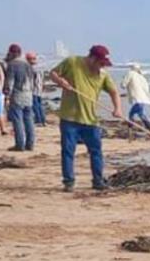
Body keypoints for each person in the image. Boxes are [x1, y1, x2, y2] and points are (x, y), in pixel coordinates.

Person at [49, 45, 121, 192]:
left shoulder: (103, 75)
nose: (102, 66)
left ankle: (98, 181)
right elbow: (53, 73)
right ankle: (68, 182)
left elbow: (114, 92)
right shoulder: (72, 62)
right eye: (101, 63)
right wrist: (60, 82)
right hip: (69, 118)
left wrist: (117, 108)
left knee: (96, 151)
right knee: (68, 151)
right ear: (92, 58)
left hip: (91, 120)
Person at [3, 44, 36, 151]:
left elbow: (10, 82)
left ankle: (20, 144)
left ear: (12, 53)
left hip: (17, 95)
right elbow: (32, 82)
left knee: (18, 121)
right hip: (29, 95)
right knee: (29, 120)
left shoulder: (12, 65)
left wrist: (7, 96)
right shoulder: (28, 65)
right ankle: (30, 144)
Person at [121, 63, 150, 140]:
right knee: (140, 114)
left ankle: (131, 132)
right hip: (143, 99)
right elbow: (141, 89)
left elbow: (123, 85)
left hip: (138, 99)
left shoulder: (130, 73)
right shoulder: (141, 77)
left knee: (131, 114)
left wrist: (123, 79)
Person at [26, 52, 46, 126]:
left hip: (33, 89)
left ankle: (38, 120)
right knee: (40, 105)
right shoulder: (40, 68)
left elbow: (30, 80)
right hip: (39, 89)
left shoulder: (32, 68)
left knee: (35, 105)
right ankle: (42, 120)